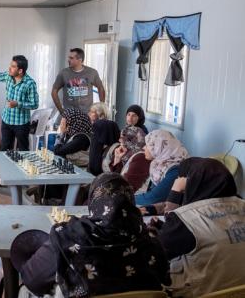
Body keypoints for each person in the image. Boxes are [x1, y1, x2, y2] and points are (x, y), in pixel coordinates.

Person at [10, 173, 169, 297]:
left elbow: (32, 280)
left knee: (23, 291)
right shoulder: (150, 240)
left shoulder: (68, 237)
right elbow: (164, 279)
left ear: (94, 201)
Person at [152, 157, 245, 297]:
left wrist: (176, 191)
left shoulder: (186, 217)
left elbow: (157, 253)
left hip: (204, 292)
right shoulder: (242, 204)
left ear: (192, 183)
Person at [0, 55, 39, 151]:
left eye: (13, 66)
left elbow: (34, 104)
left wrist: (18, 104)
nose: (9, 68)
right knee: (4, 149)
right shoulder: (8, 75)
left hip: (21, 124)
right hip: (6, 120)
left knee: (23, 151)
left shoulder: (30, 83)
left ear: (20, 71)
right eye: (10, 65)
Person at [135, 130, 189, 206]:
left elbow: (153, 198)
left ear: (159, 147)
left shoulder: (175, 170)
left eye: (148, 145)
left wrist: (129, 198)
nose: (144, 148)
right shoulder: (159, 164)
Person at [52, 48, 105, 115]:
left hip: (87, 114)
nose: (68, 60)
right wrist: (61, 110)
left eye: (71, 58)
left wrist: (102, 107)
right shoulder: (63, 73)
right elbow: (54, 91)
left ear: (80, 60)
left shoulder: (92, 72)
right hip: (69, 114)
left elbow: (100, 87)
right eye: (69, 58)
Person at [108, 126, 150, 192]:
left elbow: (127, 188)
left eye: (124, 138)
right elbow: (114, 176)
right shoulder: (126, 154)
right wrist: (117, 160)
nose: (119, 140)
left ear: (134, 140)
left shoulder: (141, 159)